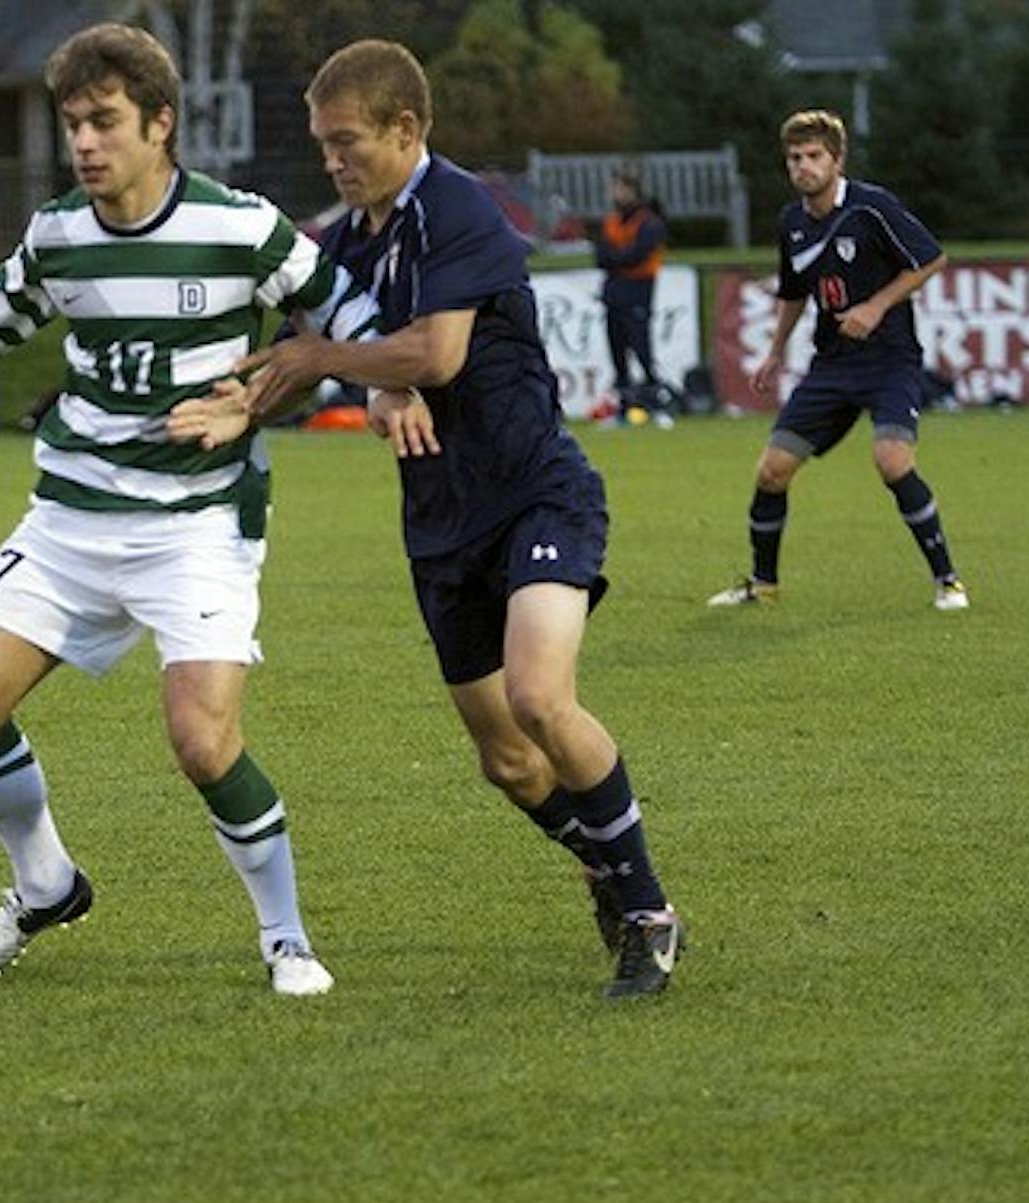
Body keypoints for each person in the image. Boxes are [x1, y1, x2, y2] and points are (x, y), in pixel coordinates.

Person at [180, 38, 685, 999]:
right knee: (506, 760)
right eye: (323, 145)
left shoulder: (457, 208)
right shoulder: (353, 242)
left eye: (347, 143)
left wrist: (342, 364)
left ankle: (650, 913)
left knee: (542, 698)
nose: (332, 161)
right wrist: (243, 404)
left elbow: (437, 352)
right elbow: (305, 349)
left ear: (406, 129)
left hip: (536, 491)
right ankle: (606, 865)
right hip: (440, 524)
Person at [0, 22, 384, 996]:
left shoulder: (240, 227)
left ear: (159, 124)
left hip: (195, 525)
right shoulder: (58, 235)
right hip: (70, 517)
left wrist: (275, 395)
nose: (83, 143)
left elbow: (351, 321)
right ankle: (43, 881)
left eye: (104, 122)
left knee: (200, 740)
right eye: (72, 123)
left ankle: (285, 937)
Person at [708, 109, 965, 611]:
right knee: (772, 471)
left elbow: (931, 258)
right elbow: (793, 293)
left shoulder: (872, 208)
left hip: (889, 361)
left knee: (892, 461)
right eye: (794, 158)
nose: (803, 166)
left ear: (837, 160)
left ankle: (948, 581)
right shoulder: (792, 223)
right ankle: (763, 585)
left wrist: (875, 306)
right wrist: (775, 352)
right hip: (832, 366)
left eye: (813, 157)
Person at [593, 171, 668, 421]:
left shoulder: (649, 222)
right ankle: (624, 406)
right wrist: (619, 259)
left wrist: (617, 259)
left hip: (637, 291)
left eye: (621, 189)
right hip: (614, 291)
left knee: (641, 347)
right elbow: (601, 256)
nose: (616, 194)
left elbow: (637, 256)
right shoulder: (610, 222)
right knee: (616, 349)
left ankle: (656, 404)